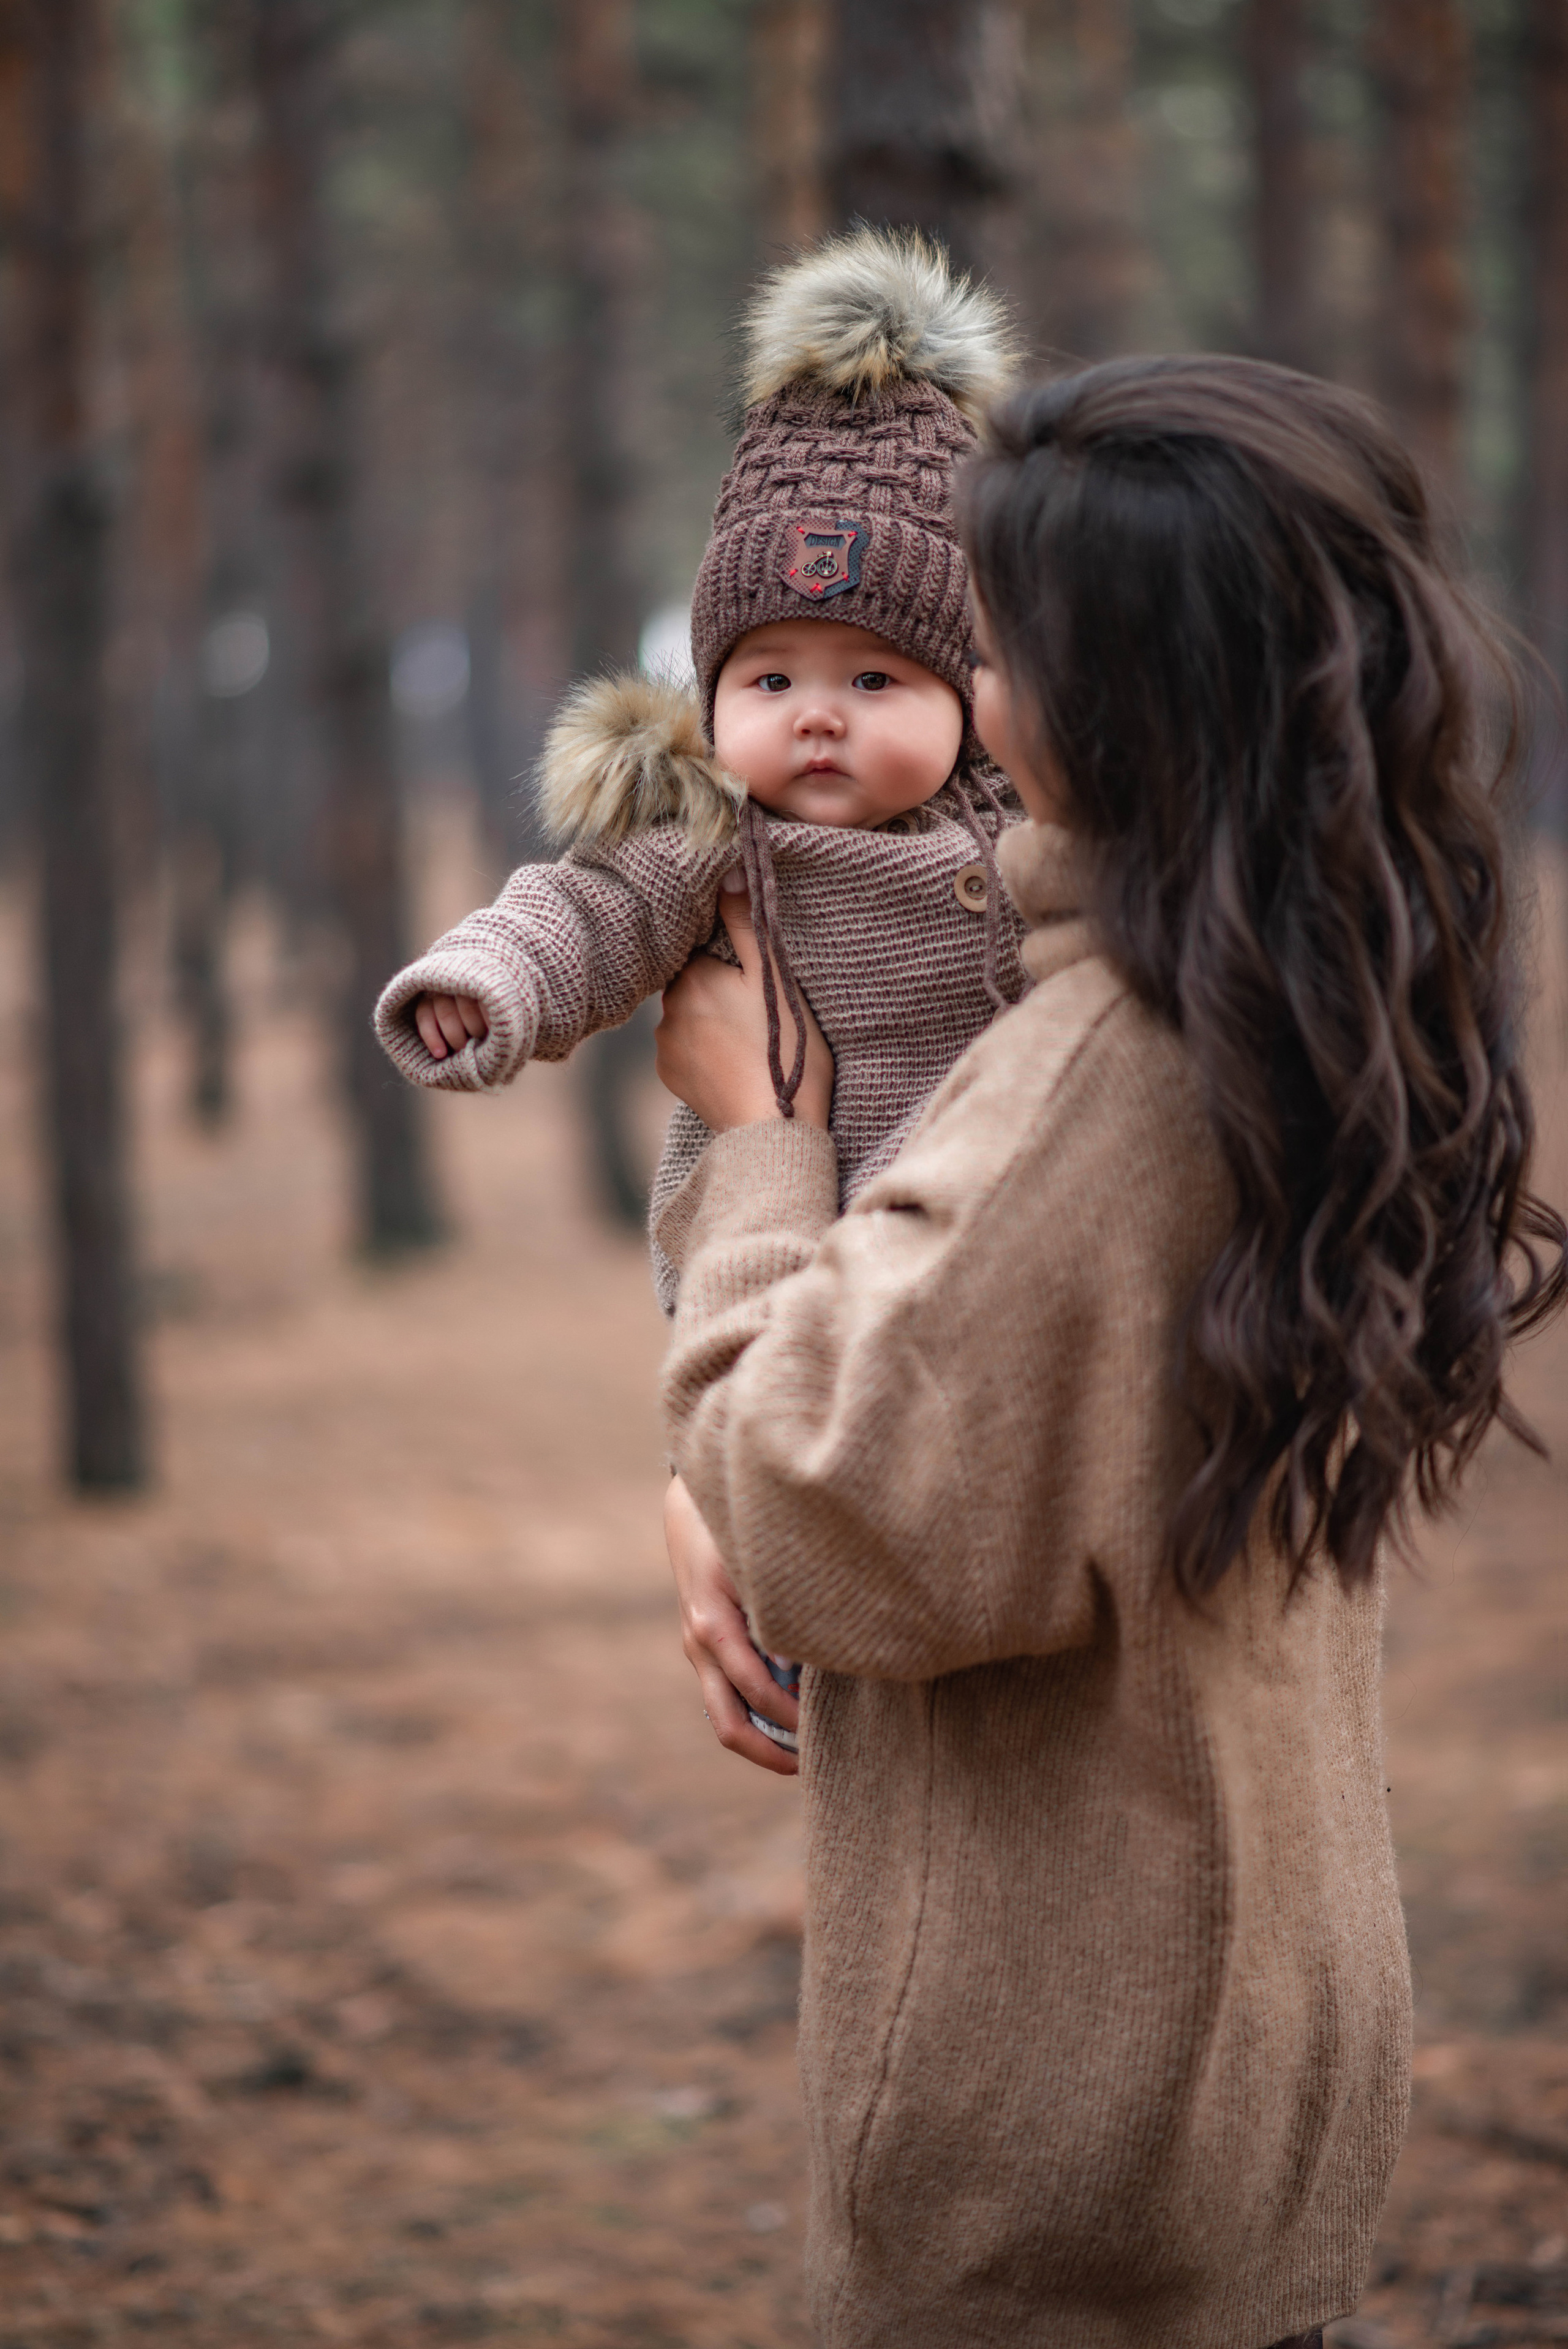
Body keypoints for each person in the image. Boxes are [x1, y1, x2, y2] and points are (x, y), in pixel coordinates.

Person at [654, 356, 1568, 2345]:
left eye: (998, 646)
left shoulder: (1096, 1084)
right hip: (1259, 2041)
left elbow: (826, 1517)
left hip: (1057, 2126)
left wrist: (755, 1141)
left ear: (1106, 698)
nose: (970, 694)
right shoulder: (1325, 991)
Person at [372, 227, 1030, 1337]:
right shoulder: (711, 836)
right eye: (770, 678)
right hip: (780, 1265)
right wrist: (488, 979)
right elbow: (587, 913)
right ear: (713, 692)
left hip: (996, 1260)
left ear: (970, 693)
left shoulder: (1036, 825)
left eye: (875, 678)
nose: (818, 715)